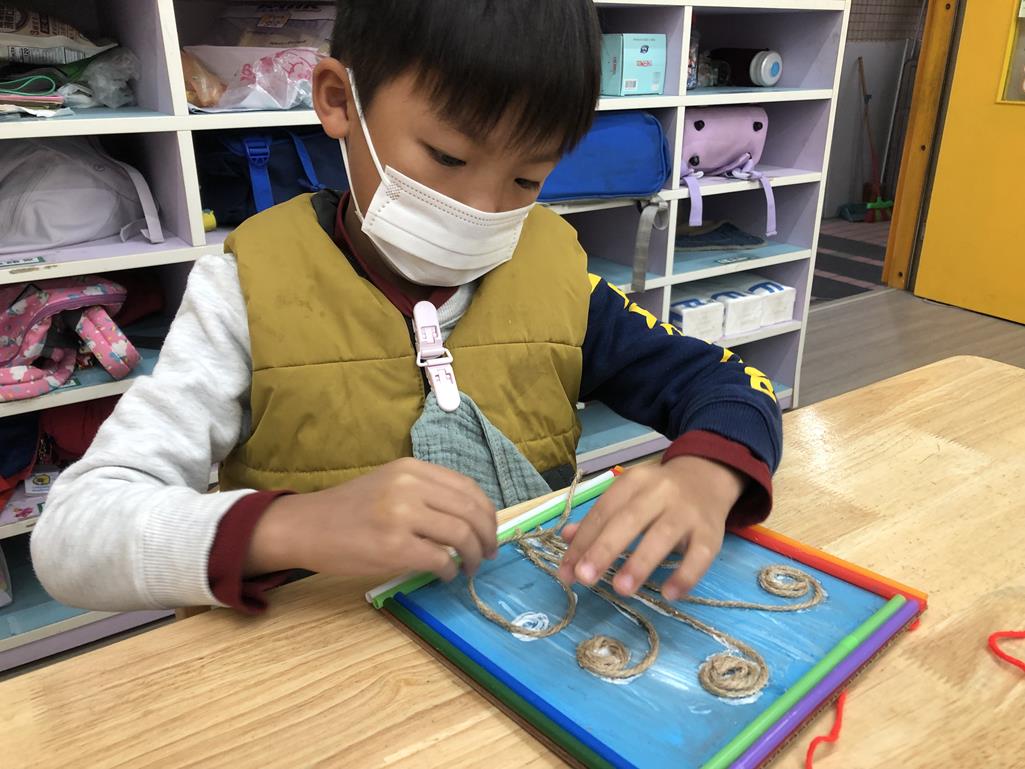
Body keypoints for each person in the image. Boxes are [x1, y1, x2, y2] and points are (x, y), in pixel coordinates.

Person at [31, 0, 782, 614]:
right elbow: (72, 534)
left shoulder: (555, 276)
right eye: (448, 157)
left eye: (526, 179)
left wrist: (703, 476)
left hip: (525, 645)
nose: (482, 206)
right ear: (339, 101)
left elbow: (726, 384)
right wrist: (291, 526)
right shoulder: (245, 290)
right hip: (327, 679)